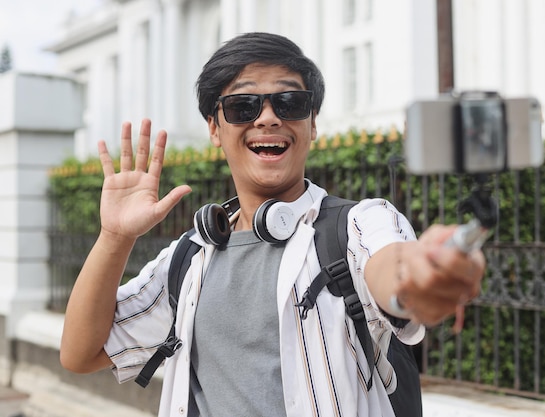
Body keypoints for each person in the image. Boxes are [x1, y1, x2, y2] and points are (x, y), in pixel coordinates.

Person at [60, 32, 485, 417]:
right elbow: (81, 353)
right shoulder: (189, 259)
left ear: (313, 122)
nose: (267, 118)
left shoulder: (360, 224)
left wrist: (425, 273)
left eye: (289, 103)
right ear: (214, 127)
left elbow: (399, 277)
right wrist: (115, 237)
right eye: (243, 106)